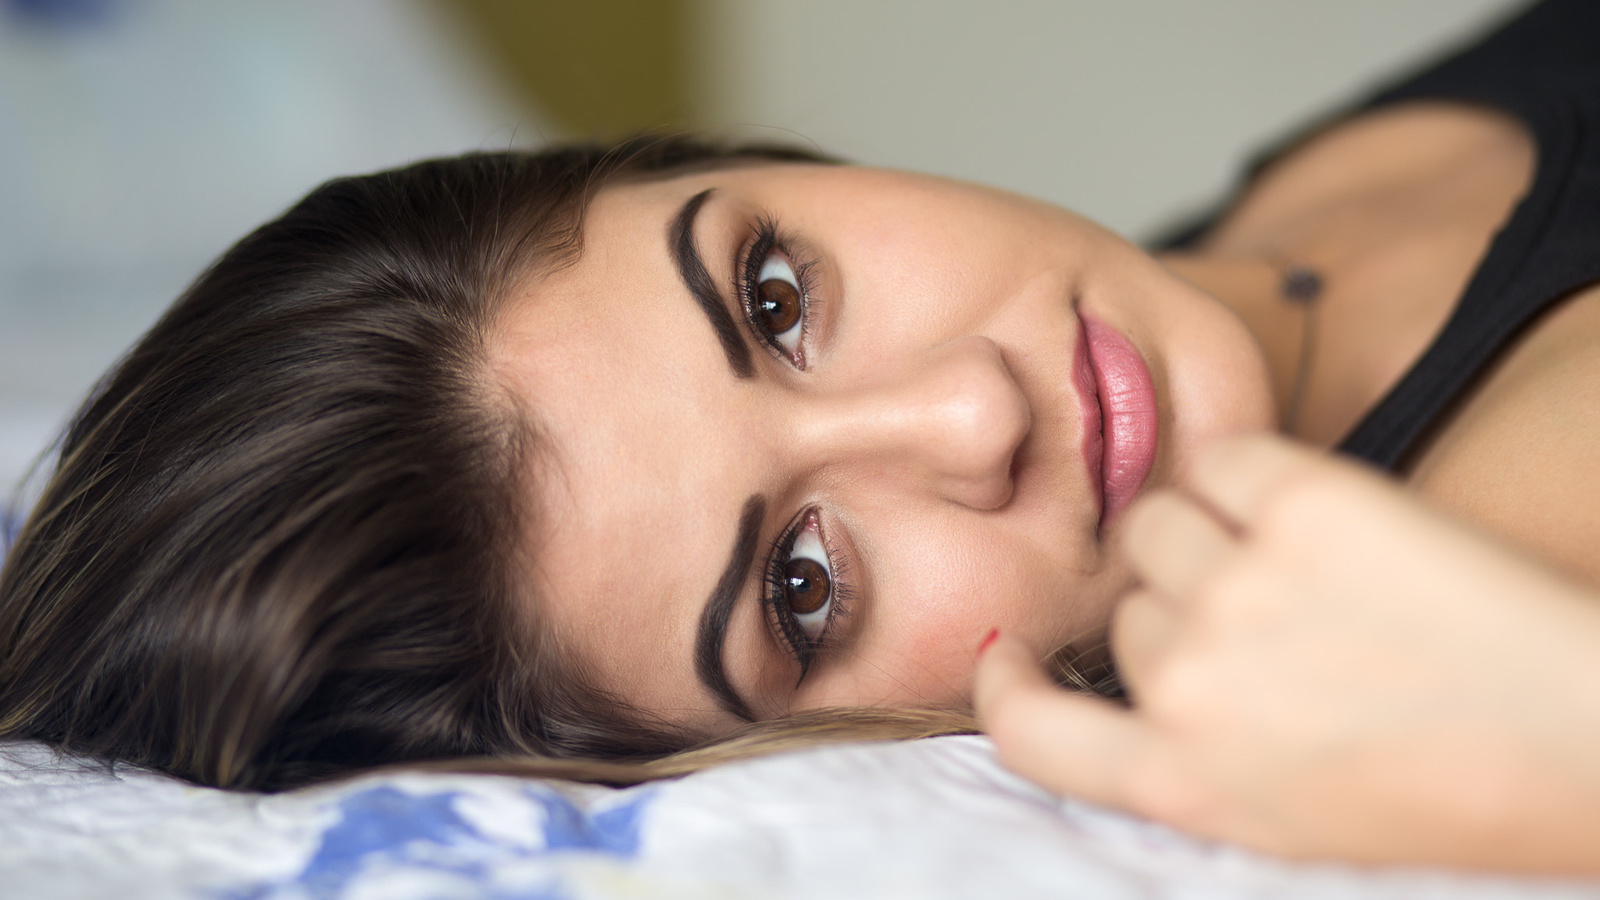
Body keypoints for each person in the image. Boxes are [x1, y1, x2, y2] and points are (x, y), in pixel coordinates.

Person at [0, 0, 1596, 873]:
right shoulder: (1500, 550)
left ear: (731, 156)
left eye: (773, 293)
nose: (972, 413)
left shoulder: (1258, 229)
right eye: (806, 588)